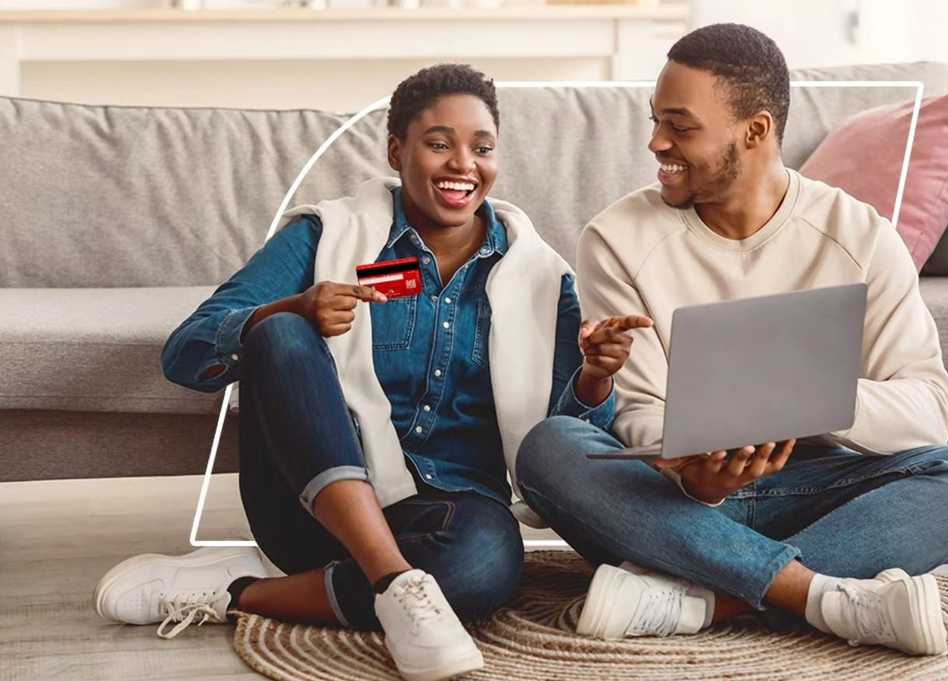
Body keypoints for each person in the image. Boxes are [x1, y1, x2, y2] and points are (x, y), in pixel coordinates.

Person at [93, 64, 648, 681]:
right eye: (439, 144)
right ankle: (392, 583)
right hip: (310, 509)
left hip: (447, 515)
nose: (462, 164)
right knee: (276, 328)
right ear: (396, 151)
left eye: (481, 147)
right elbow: (188, 352)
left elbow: (560, 452)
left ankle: (238, 590)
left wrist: (597, 377)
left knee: (486, 567)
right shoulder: (326, 235)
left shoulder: (544, 277)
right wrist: (293, 307)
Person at [515, 24, 948, 657]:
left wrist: (807, 398)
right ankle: (817, 595)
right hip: (677, 503)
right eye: (655, 121)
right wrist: (699, 478)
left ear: (756, 130)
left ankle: (701, 601)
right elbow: (639, 414)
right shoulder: (616, 237)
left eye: (681, 126)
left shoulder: (860, 235)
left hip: (812, 493)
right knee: (550, 448)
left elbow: (928, 408)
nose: (656, 142)